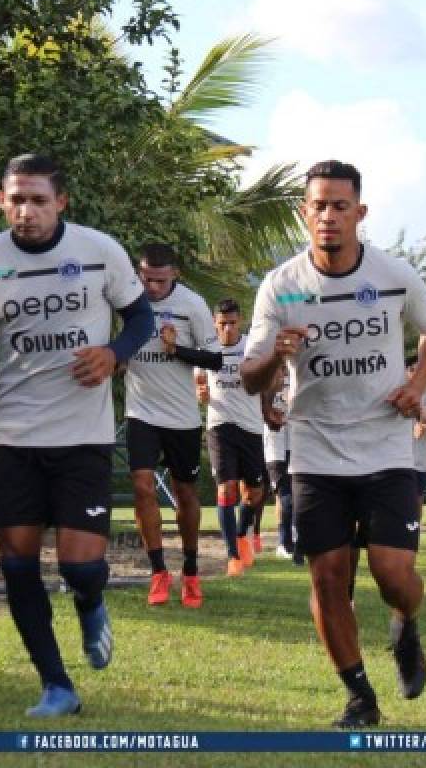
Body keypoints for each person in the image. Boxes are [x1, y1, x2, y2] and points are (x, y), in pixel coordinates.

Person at [242, 159, 426, 728]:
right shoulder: (281, 286)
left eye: (340, 206)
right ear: (304, 214)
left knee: (393, 576)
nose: (328, 216)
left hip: (384, 446)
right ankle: (360, 695)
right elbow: (250, 376)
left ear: (360, 212)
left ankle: (405, 626)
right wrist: (275, 356)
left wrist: (416, 384)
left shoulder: (392, 274)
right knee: (328, 576)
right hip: (314, 449)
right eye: (318, 206)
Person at [0, 153, 154, 716]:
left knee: (81, 567)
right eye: (17, 199)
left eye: (38, 199)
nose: (27, 211)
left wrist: (113, 353)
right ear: (1, 202)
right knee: (16, 561)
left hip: (83, 432)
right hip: (13, 430)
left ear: (61, 202)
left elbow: (141, 320)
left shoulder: (99, 251)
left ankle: (90, 603)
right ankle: (56, 684)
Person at [123, 243, 221, 608]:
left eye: (159, 281)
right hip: (140, 411)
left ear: (174, 275)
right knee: (142, 487)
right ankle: (158, 572)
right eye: (146, 278)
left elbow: (214, 359)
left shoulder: (192, 305)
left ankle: (191, 571)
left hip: (181, 416)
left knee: (184, 493)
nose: (151, 287)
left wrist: (176, 350)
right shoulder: (127, 300)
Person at [195, 298, 267, 577]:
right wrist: (200, 393)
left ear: (241, 321)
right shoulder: (207, 349)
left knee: (254, 493)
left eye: (232, 323)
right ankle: (232, 555)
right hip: (219, 425)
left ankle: (240, 535)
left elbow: (266, 378)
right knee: (226, 490)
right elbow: (199, 381)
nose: (227, 329)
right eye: (222, 323)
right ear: (215, 323)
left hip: (251, 427)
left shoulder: (251, 347)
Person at [261, 366, 297, 561]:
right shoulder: (266, 379)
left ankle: (294, 538)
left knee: (295, 495)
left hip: (297, 443)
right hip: (275, 445)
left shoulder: (298, 374)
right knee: (285, 495)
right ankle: (284, 542)